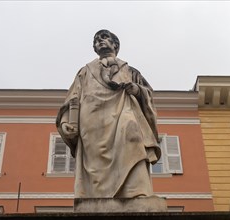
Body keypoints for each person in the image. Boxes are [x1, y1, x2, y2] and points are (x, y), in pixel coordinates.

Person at [56, 29, 161, 198]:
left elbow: (148, 94)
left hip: (123, 110)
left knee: (132, 133)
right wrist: (66, 121)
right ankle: (95, 197)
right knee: (95, 163)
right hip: (92, 120)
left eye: (104, 38)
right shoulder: (85, 71)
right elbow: (72, 99)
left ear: (115, 44)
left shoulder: (131, 71)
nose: (100, 42)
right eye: (96, 40)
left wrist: (137, 90)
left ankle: (136, 192)